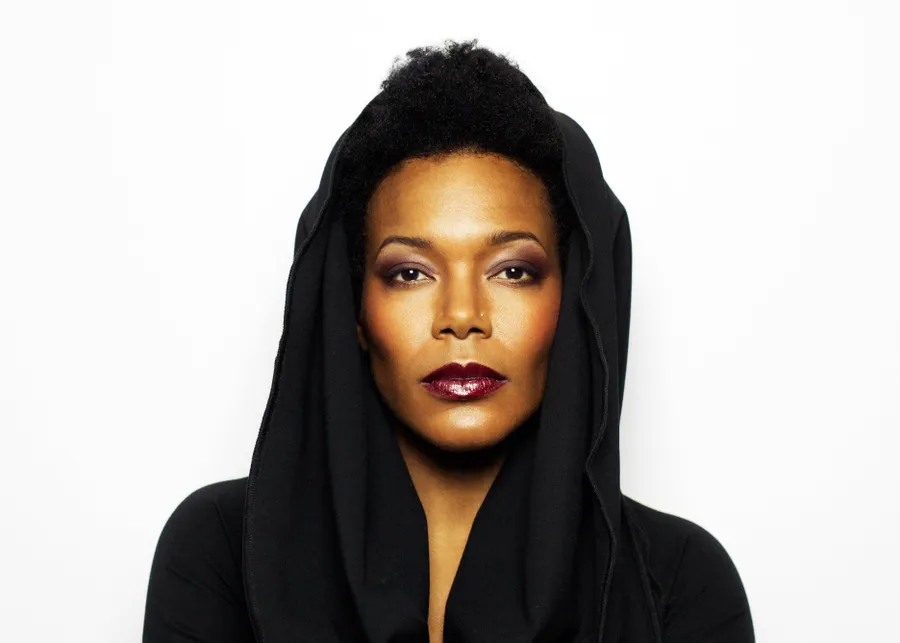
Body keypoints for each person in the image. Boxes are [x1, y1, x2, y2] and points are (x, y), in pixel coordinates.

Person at [142, 40, 755, 643]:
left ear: (572, 302)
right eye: (410, 273)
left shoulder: (678, 581)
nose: (462, 317)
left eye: (513, 271)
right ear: (355, 312)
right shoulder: (223, 552)